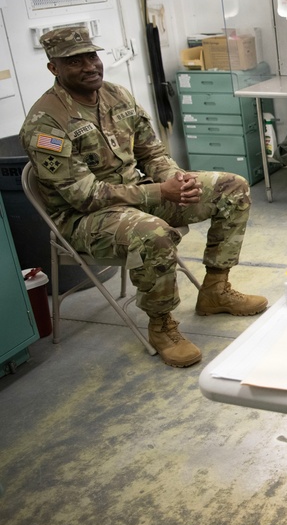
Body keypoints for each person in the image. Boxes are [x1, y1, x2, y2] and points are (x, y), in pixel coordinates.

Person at [19, 27, 268, 368]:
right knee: (152, 233)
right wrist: (156, 191)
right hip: (83, 220)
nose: (89, 66)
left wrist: (174, 180)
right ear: (54, 69)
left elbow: (151, 152)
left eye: (92, 56)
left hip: (138, 197)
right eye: (74, 62)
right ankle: (161, 325)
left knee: (232, 187)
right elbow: (84, 196)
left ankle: (215, 289)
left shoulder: (117, 96)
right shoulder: (46, 123)